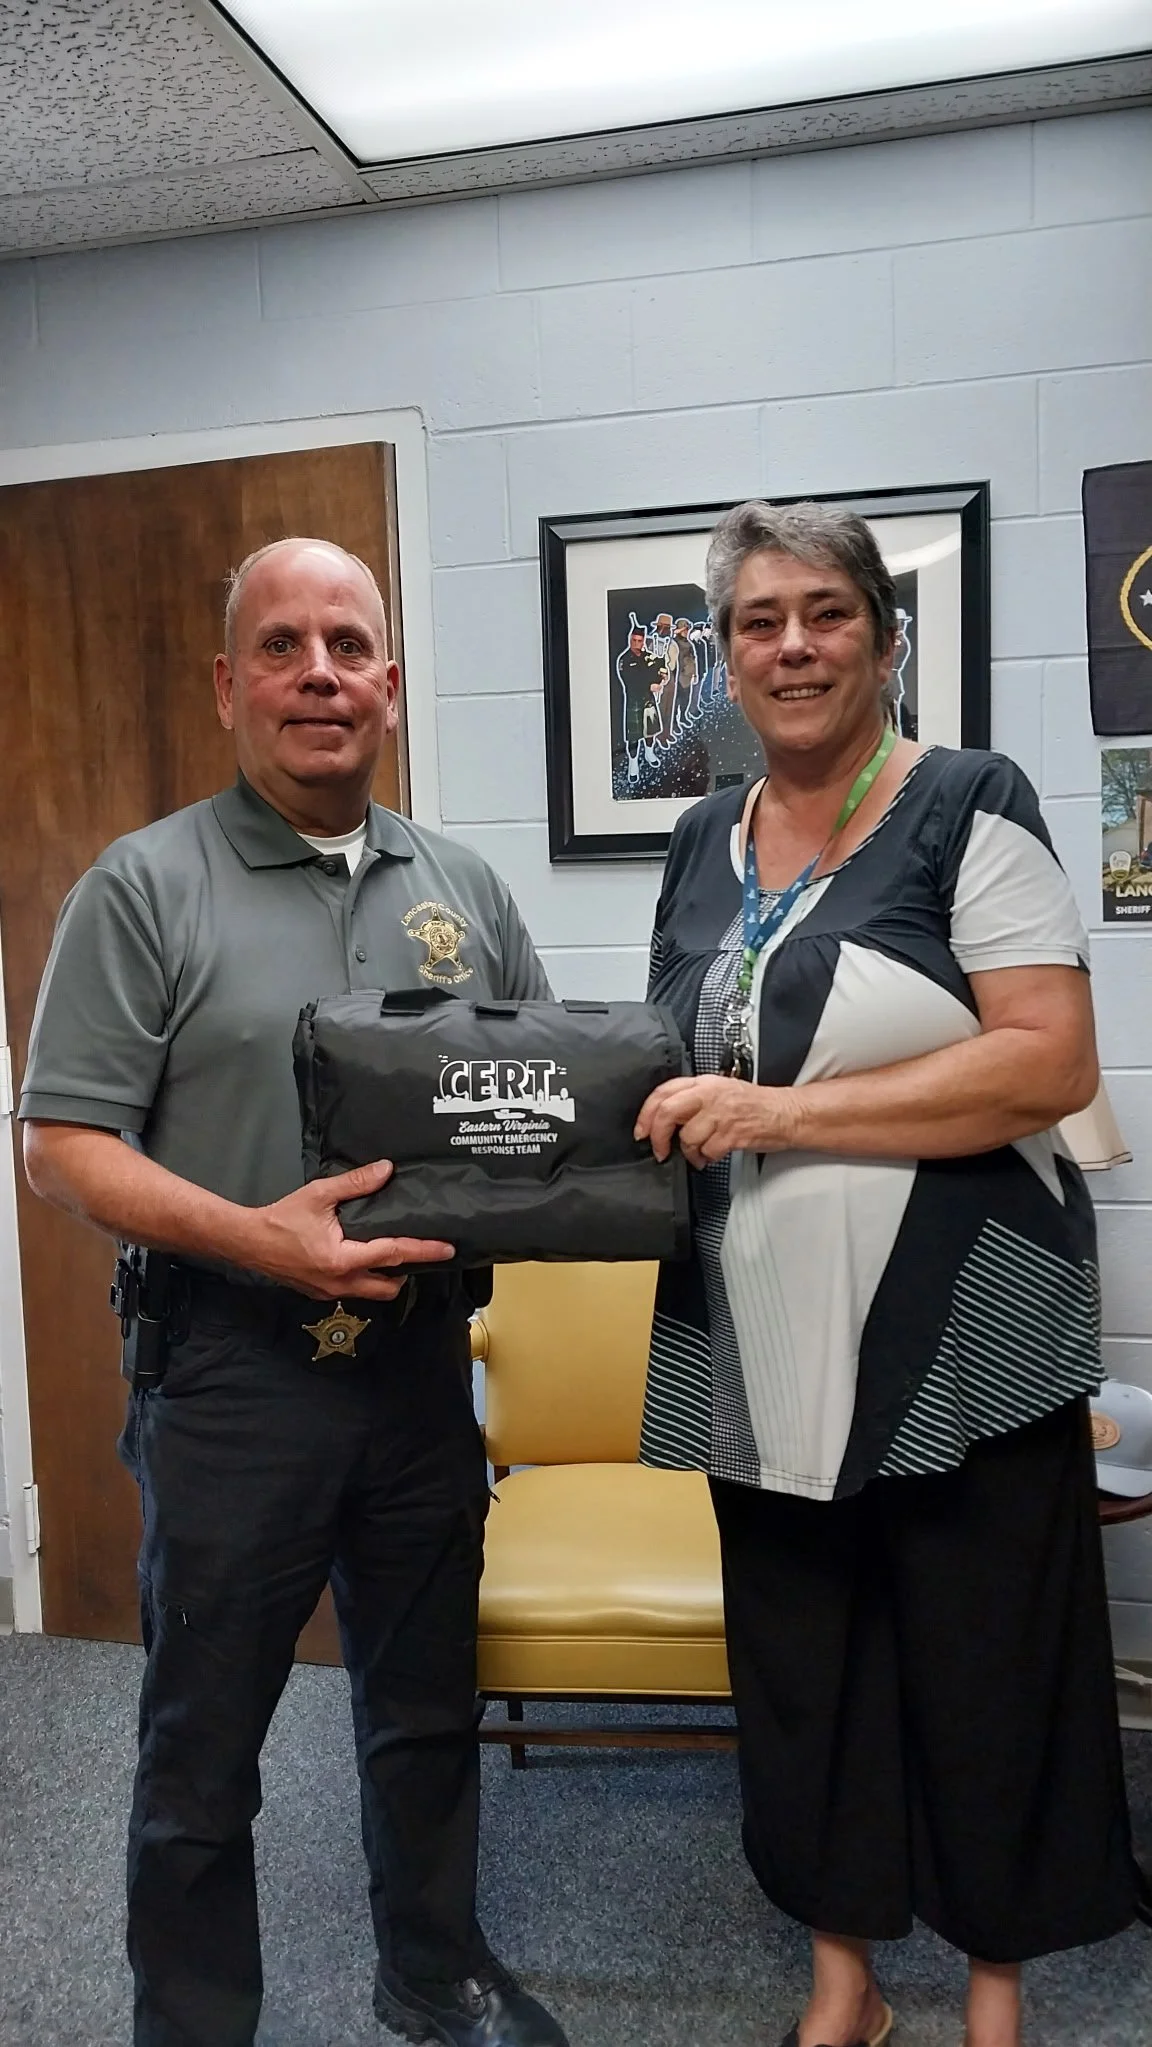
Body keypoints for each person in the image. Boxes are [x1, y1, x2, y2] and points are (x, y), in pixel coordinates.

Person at [19, 537, 568, 2047]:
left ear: (390, 680)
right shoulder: (144, 887)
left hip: (414, 1374)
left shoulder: (464, 886)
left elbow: (530, 1101)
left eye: (348, 643)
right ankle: (194, 2021)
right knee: (204, 1739)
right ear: (230, 683)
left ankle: (431, 1968)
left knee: (422, 1703)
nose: (318, 672)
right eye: (283, 645)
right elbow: (61, 1147)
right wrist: (262, 1240)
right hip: (231, 1376)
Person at [634, 500, 1136, 2047]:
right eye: (759, 620)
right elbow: (666, 1057)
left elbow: (1047, 1062)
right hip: (760, 1338)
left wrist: (780, 1113)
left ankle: (996, 1995)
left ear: (882, 633)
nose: (793, 644)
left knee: (990, 1669)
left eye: (826, 611)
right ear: (723, 656)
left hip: (961, 1328)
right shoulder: (696, 844)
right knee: (804, 1676)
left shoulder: (967, 801)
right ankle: (844, 1983)